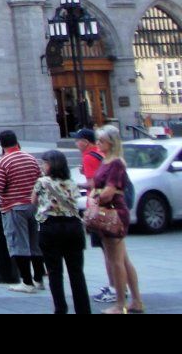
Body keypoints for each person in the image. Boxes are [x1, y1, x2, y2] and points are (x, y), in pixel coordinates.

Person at [90, 125, 145, 314]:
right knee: (122, 258)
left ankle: (120, 303)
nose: (98, 143)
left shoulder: (115, 163)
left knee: (116, 260)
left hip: (113, 212)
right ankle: (136, 301)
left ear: (111, 143)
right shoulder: (107, 160)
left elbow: (108, 191)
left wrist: (94, 198)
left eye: (101, 141)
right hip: (110, 211)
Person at [33, 149, 90, 314]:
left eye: (44, 163)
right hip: (73, 227)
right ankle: (83, 309)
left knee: (54, 271)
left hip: (50, 227)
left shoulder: (42, 182)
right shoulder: (71, 182)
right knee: (76, 271)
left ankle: (60, 308)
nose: (43, 166)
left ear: (50, 165)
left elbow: (33, 200)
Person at [0, 129, 46, 293]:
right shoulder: (30, 158)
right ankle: (38, 279)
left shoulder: (3, 161)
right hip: (33, 205)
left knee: (19, 243)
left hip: (14, 206)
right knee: (35, 243)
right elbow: (40, 179)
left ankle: (27, 282)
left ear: (1, 143)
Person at [74, 129, 117, 304]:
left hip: (100, 208)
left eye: (77, 141)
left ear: (84, 141)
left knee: (108, 251)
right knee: (115, 252)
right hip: (111, 208)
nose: (75, 145)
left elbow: (93, 183)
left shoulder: (90, 156)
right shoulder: (103, 156)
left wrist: (76, 184)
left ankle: (115, 287)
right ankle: (118, 286)